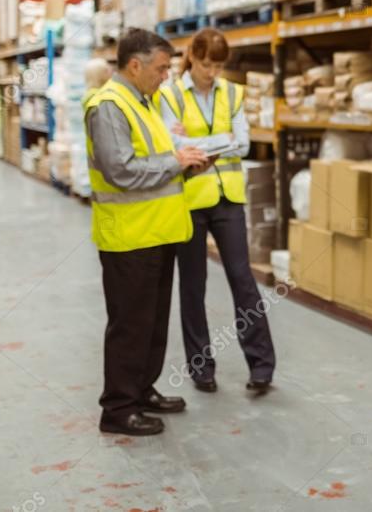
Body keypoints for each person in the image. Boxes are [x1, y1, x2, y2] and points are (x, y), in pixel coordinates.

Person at [85, 28, 211, 436]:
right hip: (128, 237)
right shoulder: (109, 106)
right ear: (134, 65)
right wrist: (175, 162)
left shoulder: (145, 101)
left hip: (156, 232)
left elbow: (156, 161)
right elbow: (119, 170)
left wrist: (186, 163)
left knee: (153, 322)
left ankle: (141, 389)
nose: (165, 77)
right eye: (160, 69)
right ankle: (118, 409)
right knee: (130, 325)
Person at [157, 28, 276, 395]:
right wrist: (219, 141)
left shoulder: (232, 93)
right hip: (190, 200)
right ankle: (201, 368)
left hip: (229, 199)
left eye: (219, 66)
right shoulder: (171, 94)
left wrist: (198, 144)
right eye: (207, 64)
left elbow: (243, 145)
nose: (212, 72)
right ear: (192, 57)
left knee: (243, 280)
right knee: (193, 286)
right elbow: (172, 144)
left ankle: (261, 366)